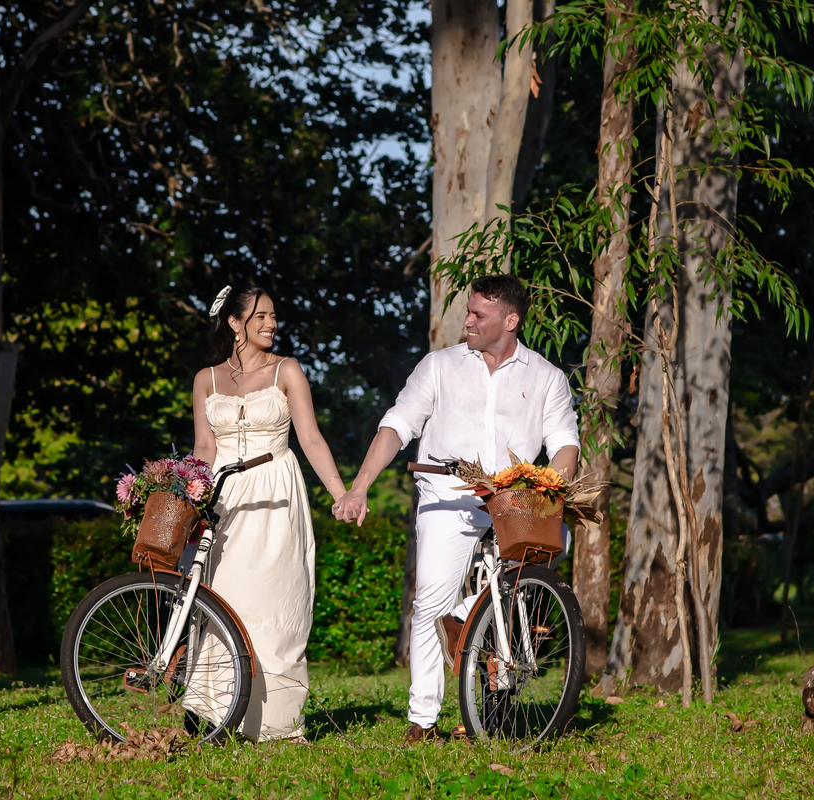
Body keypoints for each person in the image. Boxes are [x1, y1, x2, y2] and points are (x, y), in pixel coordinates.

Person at [334, 274, 580, 744]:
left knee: (553, 547)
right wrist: (359, 486)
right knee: (429, 600)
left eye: (477, 315)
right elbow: (397, 425)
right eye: (468, 311)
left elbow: (565, 445)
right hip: (447, 499)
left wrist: (549, 489)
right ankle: (423, 721)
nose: (466, 320)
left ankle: (472, 617)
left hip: (513, 501)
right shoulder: (439, 366)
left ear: (511, 321)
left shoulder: (546, 377)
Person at [190, 284, 346, 742]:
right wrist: (188, 498)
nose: (271, 324)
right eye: (259, 317)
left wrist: (341, 494)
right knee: (225, 601)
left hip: (276, 493)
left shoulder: (288, 370)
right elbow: (203, 447)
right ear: (234, 323)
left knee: (276, 605)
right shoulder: (207, 379)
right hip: (224, 500)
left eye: (273, 316)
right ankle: (219, 714)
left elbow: (311, 438)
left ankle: (276, 723)